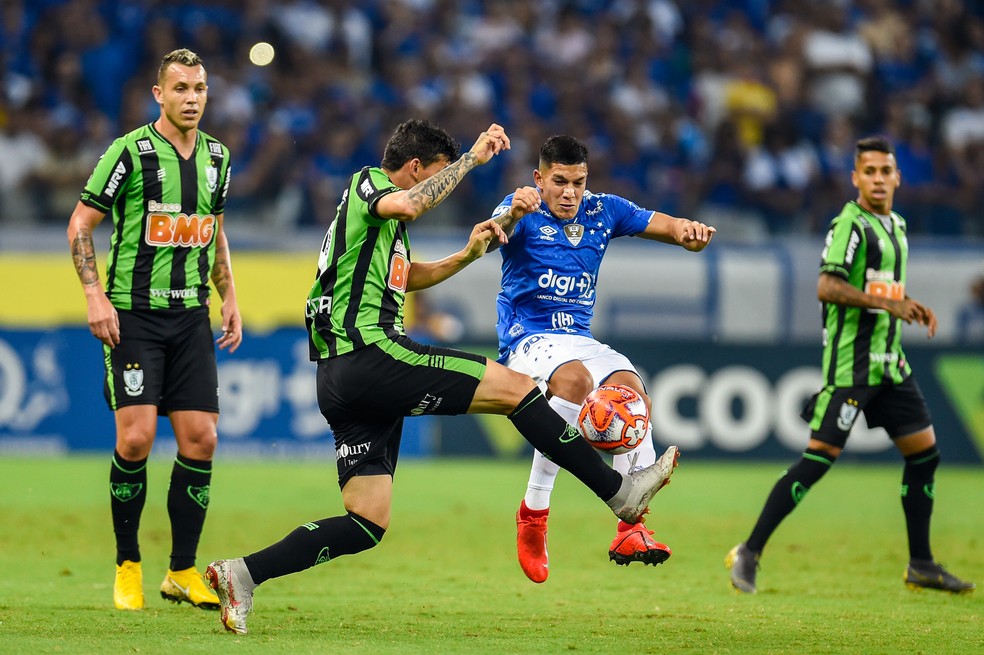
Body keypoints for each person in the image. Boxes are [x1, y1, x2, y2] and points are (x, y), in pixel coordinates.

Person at [204, 119, 679, 635]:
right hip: (371, 353)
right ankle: (618, 492)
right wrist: (472, 159)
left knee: (366, 521)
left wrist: (466, 255)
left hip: (341, 380)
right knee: (517, 390)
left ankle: (241, 574)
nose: (440, 185)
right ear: (415, 168)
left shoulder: (381, 230)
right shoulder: (369, 184)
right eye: (437, 173)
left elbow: (408, 277)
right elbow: (411, 203)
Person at [726, 136, 975, 595]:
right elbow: (827, 286)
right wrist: (890, 305)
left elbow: (879, 288)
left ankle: (921, 564)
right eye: (870, 172)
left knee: (925, 455)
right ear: (856, 178)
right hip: (853, 367)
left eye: (886, 171)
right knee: (818, 460)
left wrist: (904, 303)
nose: (878, 179)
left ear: (898, 177)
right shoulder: (850, 224)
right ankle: (750, 550)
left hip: (891, 366)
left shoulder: (897, 225)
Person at [485, 135, 715, 583]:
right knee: (575, 382)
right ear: (539, 178)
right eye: (559, 181)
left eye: (578, 182)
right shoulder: (521, 206)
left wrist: (687, 232)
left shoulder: (603, 209)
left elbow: (664, 224)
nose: (570, 192)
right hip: (527, 337)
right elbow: (487, 236)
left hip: (578, 338)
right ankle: (533, 513)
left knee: (632, 392)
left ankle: (630, 529)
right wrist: (511, 214)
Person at [67, 48, 242, 611]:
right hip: (133, 315)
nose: (192, 98)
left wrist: (229, 295)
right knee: (136, 438)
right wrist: (94, 295)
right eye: (181, 88)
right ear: (158, 94)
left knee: (202, 439)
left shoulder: (218, 158)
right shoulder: (128, 153)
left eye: (200, 88)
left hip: (190, 317)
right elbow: (81, 223)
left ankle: (182, 570)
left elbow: (213, 229)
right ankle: (128, 565)